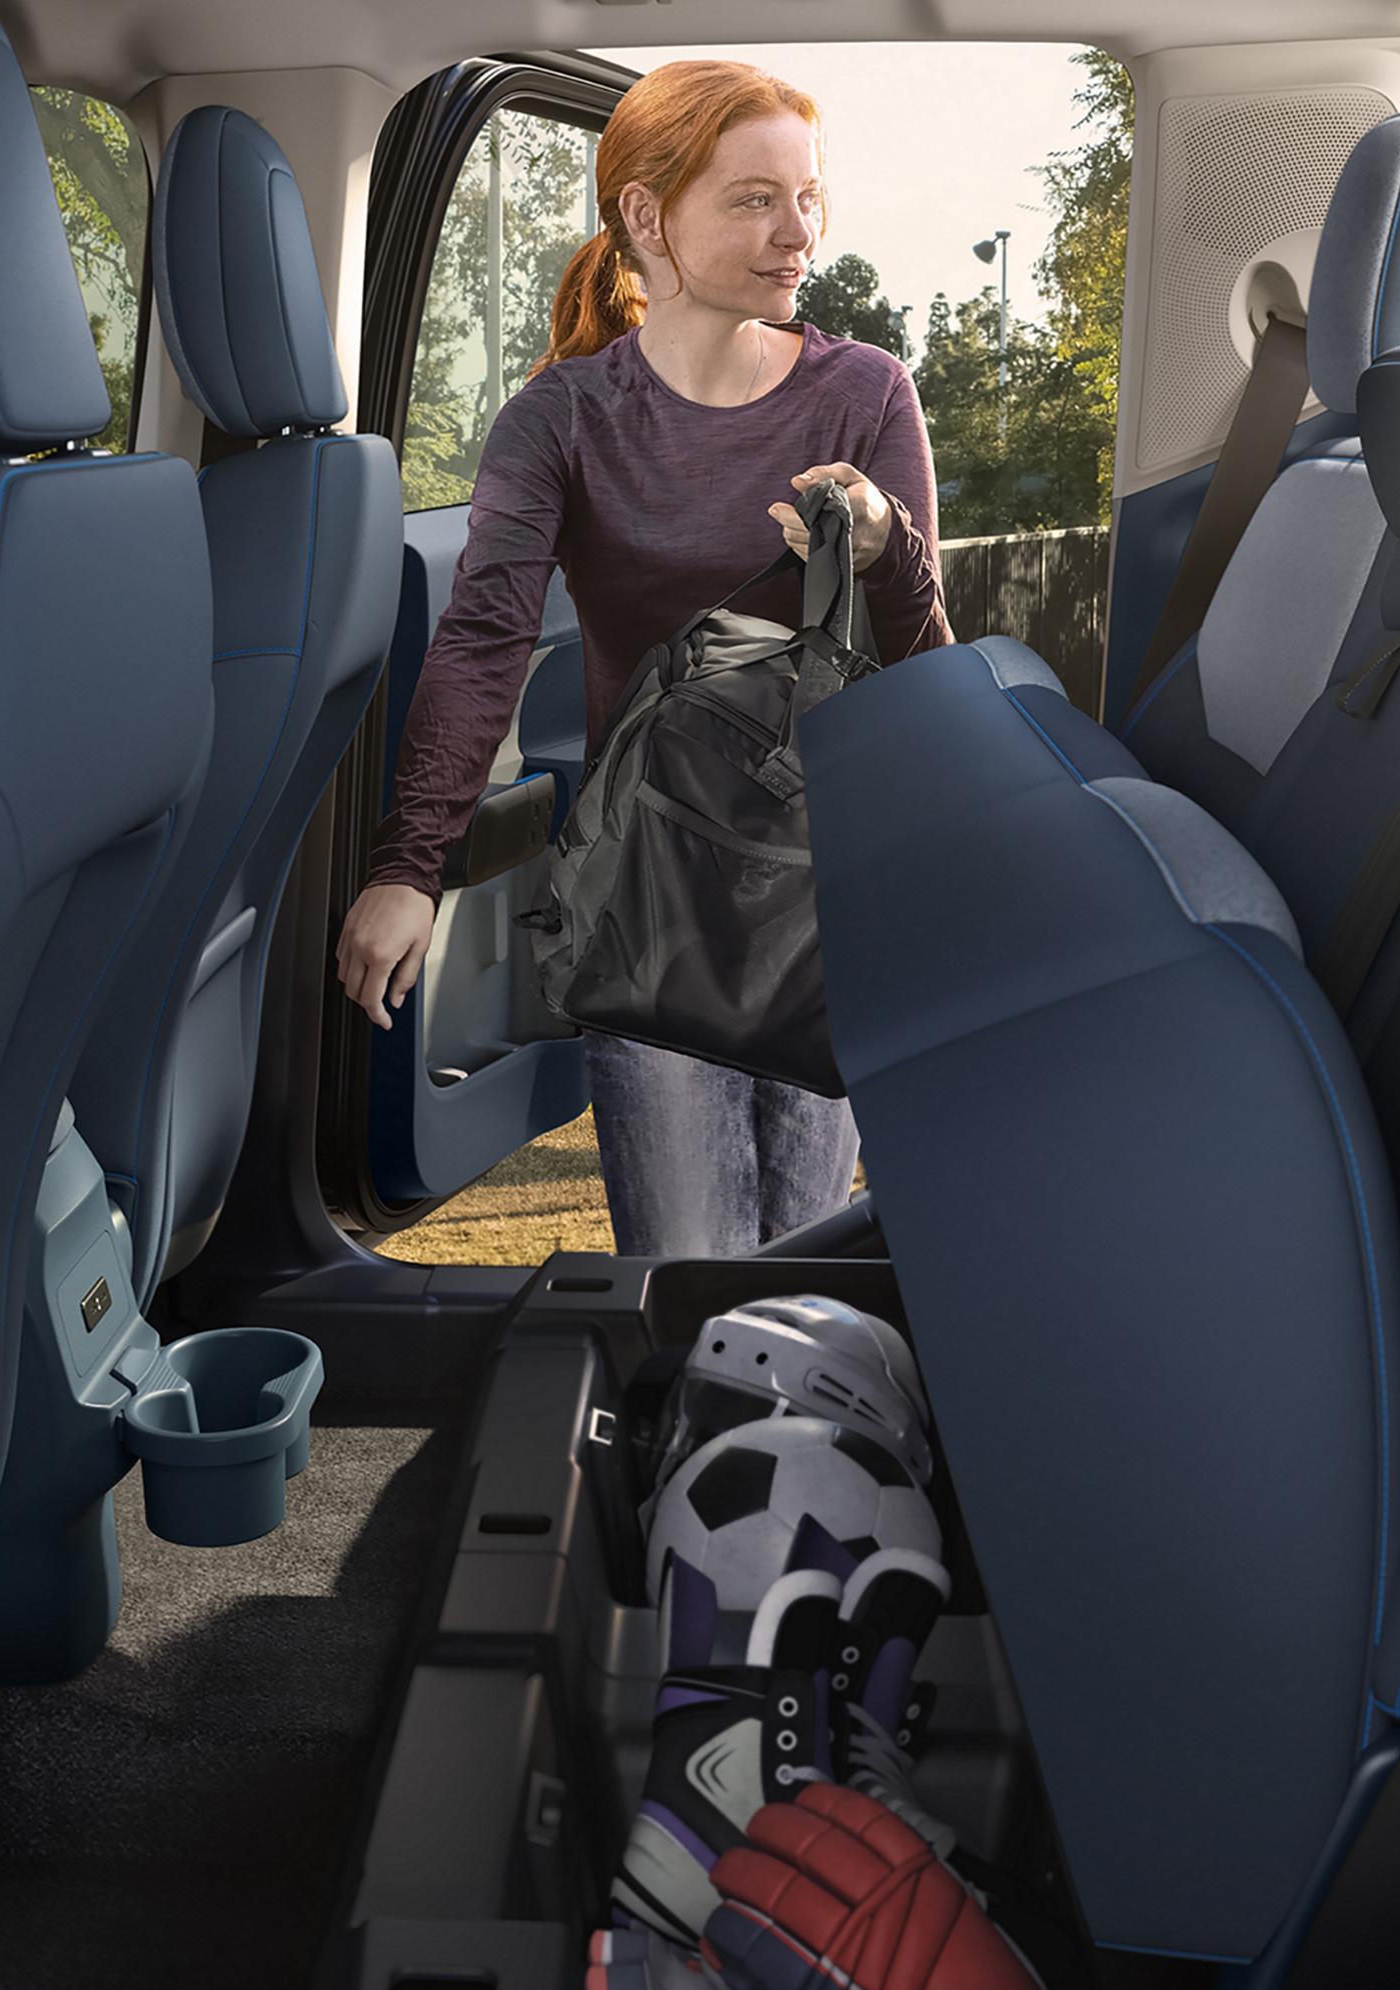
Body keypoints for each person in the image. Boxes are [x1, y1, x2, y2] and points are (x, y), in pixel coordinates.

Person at [337, 58, 951, 1257]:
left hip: (828, 895)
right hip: (648, 902)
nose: (798, 234)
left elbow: (922, 672)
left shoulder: (869, 393)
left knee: (804, 1267)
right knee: (680, 1275)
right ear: (647, 216)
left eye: (809, 197)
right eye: (755, 200)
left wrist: (886, 545)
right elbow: (483, 642)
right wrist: (409, 865)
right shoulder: (561, 420)